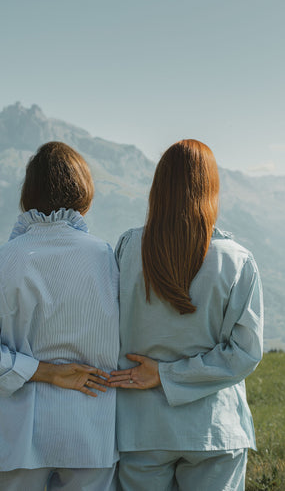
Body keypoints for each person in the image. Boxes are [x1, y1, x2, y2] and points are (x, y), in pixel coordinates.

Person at [0, 141, 119, 491]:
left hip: (18, 432)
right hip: (92, 429)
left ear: (28, 193)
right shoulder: (108, 258)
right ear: (85, 193)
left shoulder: (1, 259)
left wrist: (45, 372)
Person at [109, 139, 263, 491]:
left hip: (141, 429)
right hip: (214, 428)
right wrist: (168, 376)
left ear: (158, 189)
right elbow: (245, 353)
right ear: (211, 189)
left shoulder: (128, 249)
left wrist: (160, 374)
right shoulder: (237, 260)